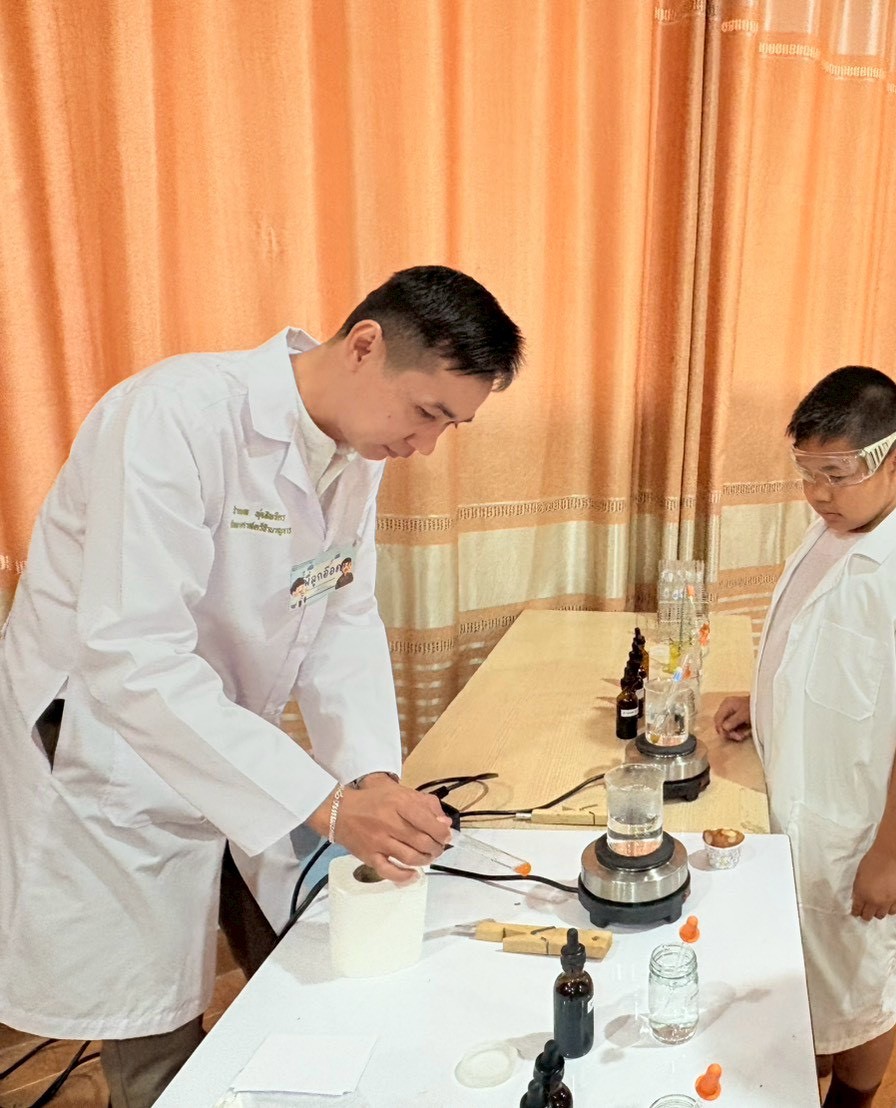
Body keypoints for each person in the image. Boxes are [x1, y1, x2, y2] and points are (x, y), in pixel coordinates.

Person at [0, 265, 523, 1107]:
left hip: (223, 738)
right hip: (110, 752)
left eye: (448, 426)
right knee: (156, 1032)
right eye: (427, 413)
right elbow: (134, 654)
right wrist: (326, 803)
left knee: (304, 958)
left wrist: (369, 777)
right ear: (364, 346)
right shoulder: (174, 416)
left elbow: (340, 615)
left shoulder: (354, 449)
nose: (425, 446)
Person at [714, 367, 896, 1108]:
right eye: (807, 473)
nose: (818, 494)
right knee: (807, 979)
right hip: (798, 805)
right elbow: (812, 647)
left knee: (859, 994)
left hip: (858, 830)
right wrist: (764, 698)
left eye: (836, 474)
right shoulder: (823, 536)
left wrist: (890, 854)